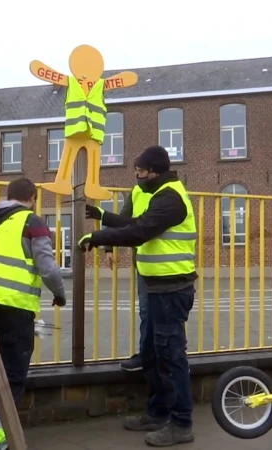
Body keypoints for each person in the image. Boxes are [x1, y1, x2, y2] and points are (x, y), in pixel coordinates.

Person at [78, 146, 197, 447]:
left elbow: (140, 232)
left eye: (141, 172)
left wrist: (97, 237)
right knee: (156, 355)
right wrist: (102, 219)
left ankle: (182, 423)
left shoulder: (171, 198)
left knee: (172, 357)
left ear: (155, 171)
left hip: (172, 289)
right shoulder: (160, 194)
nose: (138, 177)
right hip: (160, 287)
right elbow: (134, 223)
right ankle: (158, 413)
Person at [0, 177, 67, 450]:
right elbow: (47, 268)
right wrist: (59, 293)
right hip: (14, 307)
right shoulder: (31, 222)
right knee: (12, 374)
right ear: (32, 198)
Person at [85, 184, 152, 372]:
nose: (139, 174)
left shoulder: (172, 194)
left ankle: (174, 360)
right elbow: (123, 221)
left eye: (142, 170)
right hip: (145, 264)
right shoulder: (137, 191)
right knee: (147, 313)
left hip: (169, 268)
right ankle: (147, 356)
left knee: (168, 316)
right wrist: (108, 247)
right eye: (137, 170)